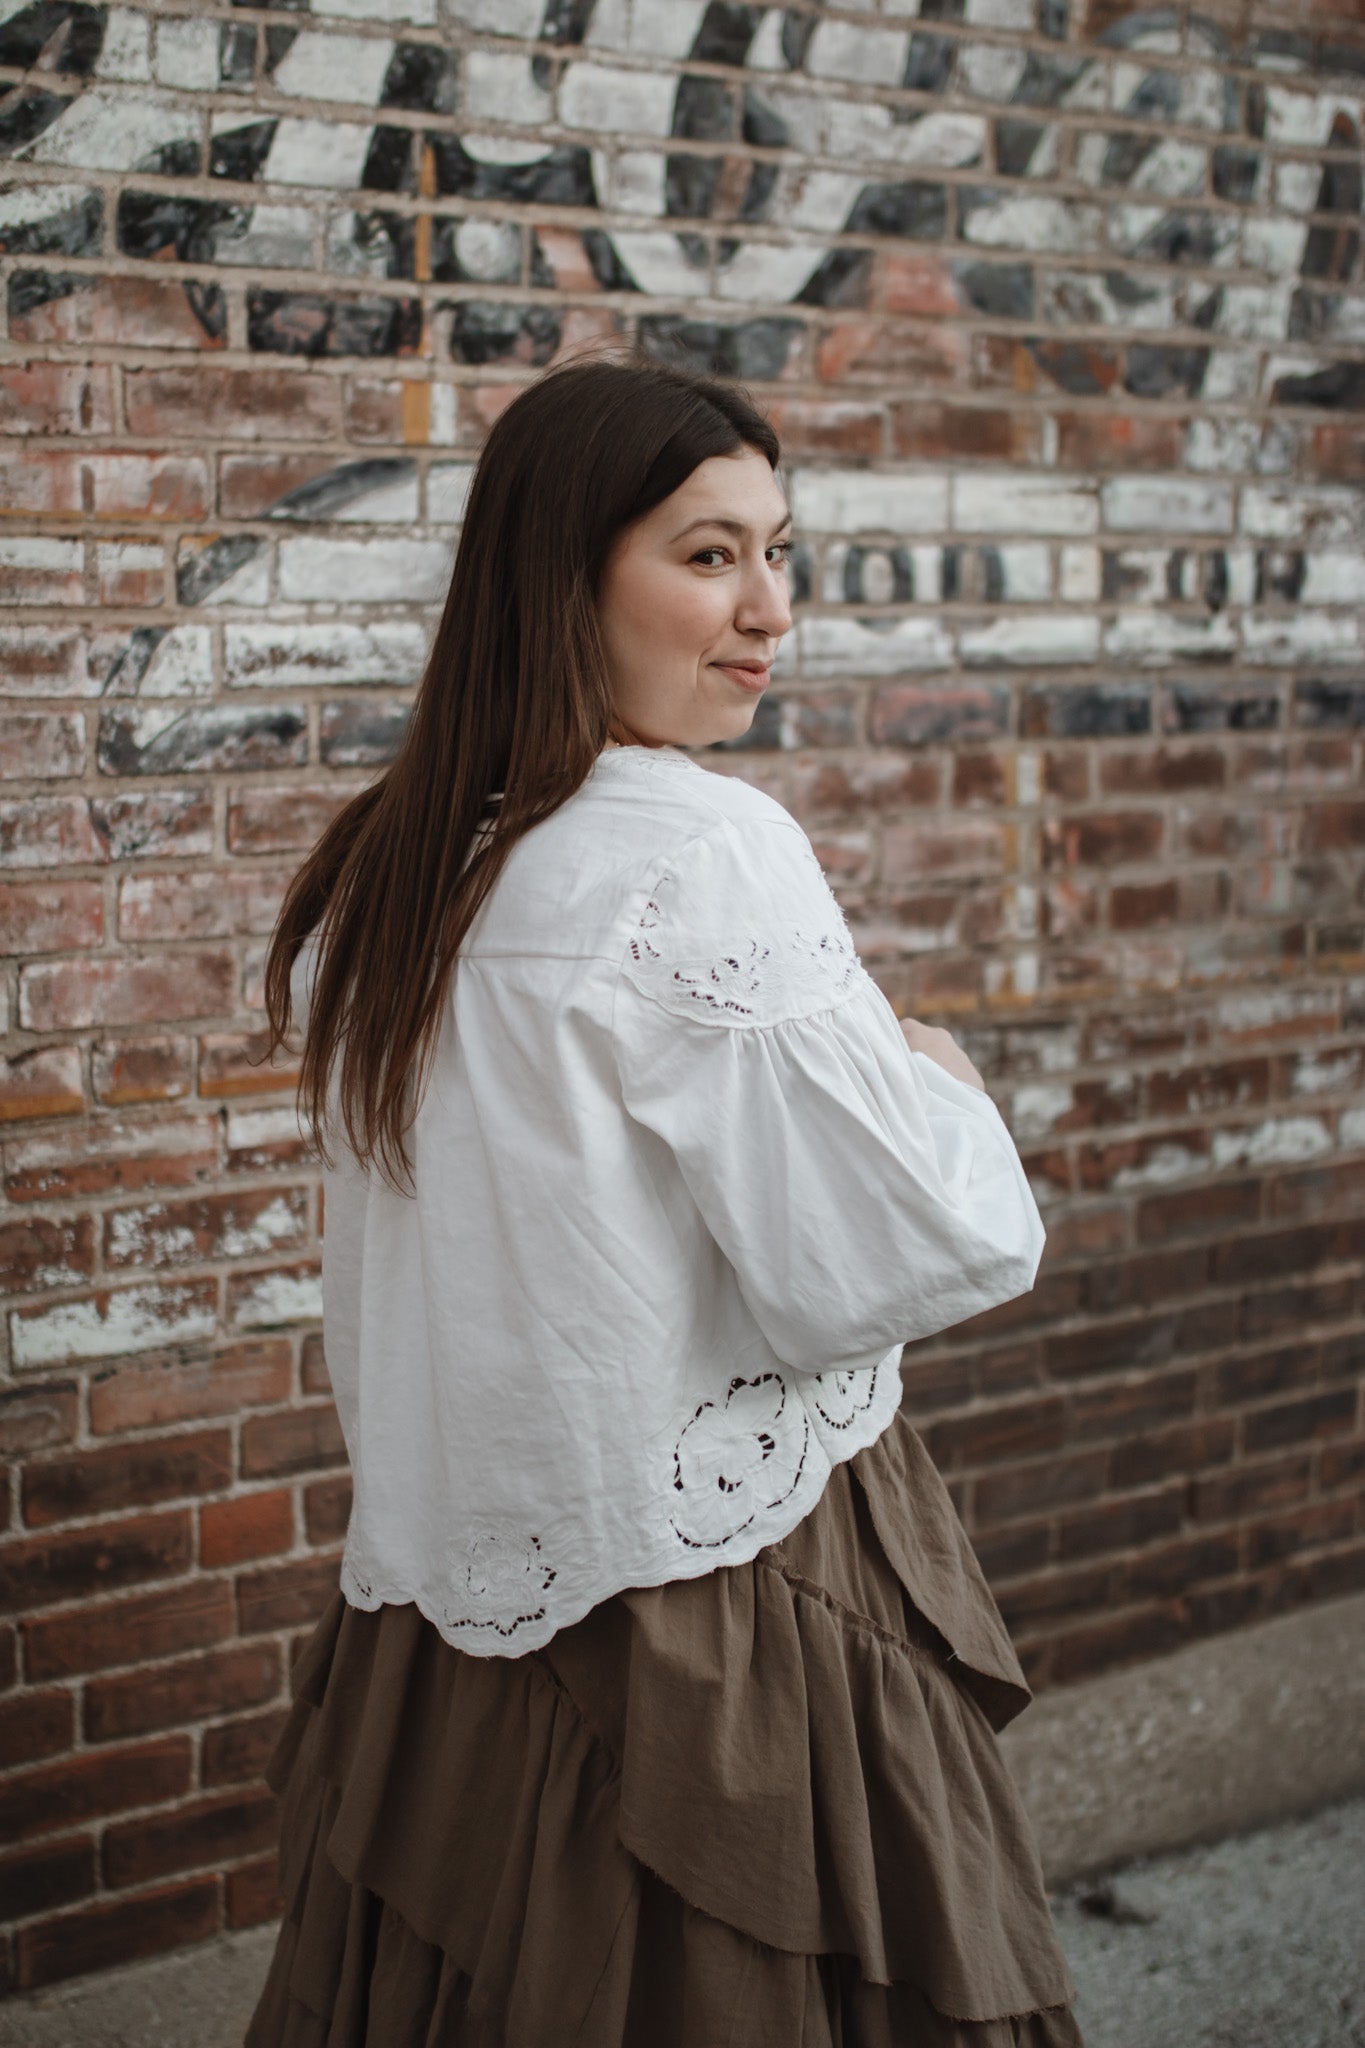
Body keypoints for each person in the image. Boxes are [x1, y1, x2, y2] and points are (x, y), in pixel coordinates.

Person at [248, 351, 1086, 2047]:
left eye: (781, 553)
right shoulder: (695, 848)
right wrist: (939, 1077)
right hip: (714, 1586)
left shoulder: (387, 871)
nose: (767, 610)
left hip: (453, 1601)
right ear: (562, 577)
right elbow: (899, 1250)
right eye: (707, 556)